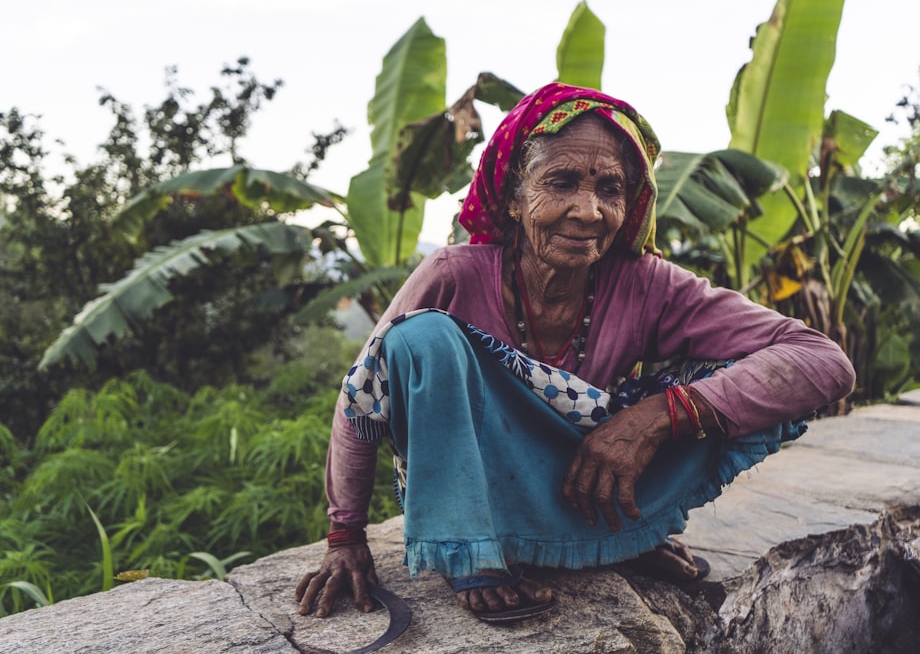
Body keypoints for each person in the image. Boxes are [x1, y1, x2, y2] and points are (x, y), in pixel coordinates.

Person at [295, 82, 855, 622]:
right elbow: (362, 396)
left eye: (610, 189)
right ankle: (471, 551)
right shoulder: (454, 273)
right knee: (420, 337)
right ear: (515, 197)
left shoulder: (647, 284)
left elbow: (822, 361)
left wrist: (657, 416)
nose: (588, 211)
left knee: (738, 378)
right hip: (480, 493)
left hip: (588, 485)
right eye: (560, 182)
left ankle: (618, 537)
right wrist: (345, 536)